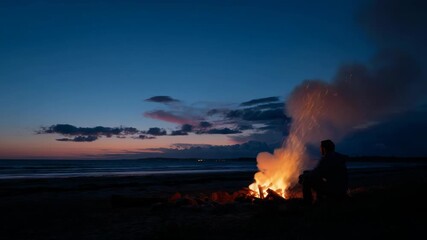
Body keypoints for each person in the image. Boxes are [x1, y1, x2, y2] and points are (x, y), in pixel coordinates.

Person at [299, 139, 348, 204]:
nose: (320, 150)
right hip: (342, 188)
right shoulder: (338, 157)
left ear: (324, 148)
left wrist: (303, 176)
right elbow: (320, 172)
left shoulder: (326, 158)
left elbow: (316, 173)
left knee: (306, 181)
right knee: (317, 179)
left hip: (333, 189)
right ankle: (319, 199)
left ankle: (308, 203)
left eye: (320, 147)